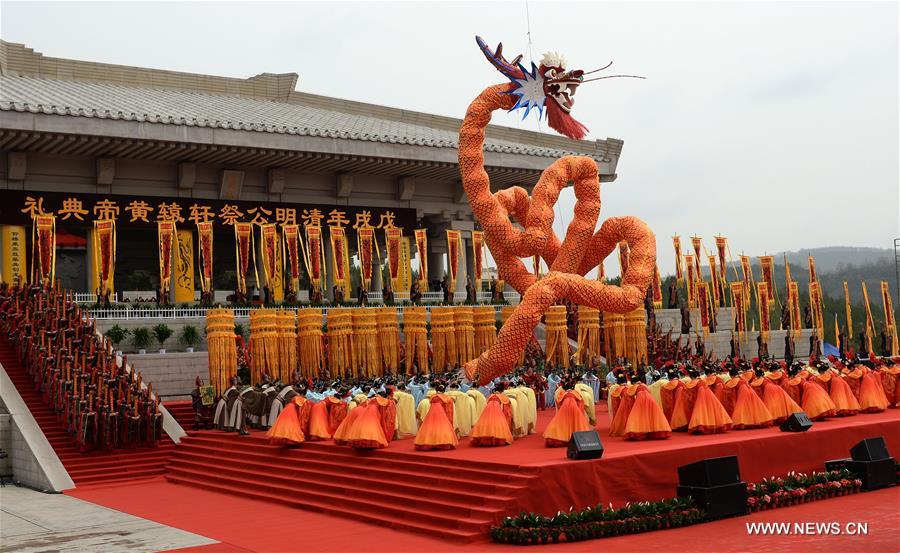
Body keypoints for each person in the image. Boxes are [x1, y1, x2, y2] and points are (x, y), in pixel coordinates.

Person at [543, 379, 592, 447]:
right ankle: (577, 438)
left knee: (563, 423)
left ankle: (563, 438)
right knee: (576, 422)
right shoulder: (575, 393)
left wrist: (560, 410)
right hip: (574, 408)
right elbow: (580, 401)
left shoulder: (562, 393)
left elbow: (558, 401)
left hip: (564, 408)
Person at [414, 384, 458, 450]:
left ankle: (429, 442)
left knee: (430, 427)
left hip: (431, 413)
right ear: (443, 391)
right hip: (441, 414)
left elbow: (430, 403)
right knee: (442, 428)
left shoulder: (433, 397)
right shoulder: (447, 398)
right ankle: (442, 442)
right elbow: (449, 409)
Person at [470, 381, 515, 446]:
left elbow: (486, 401)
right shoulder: (503, 397)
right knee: (497, 423)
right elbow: (506, 409)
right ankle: (496, 437)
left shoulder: (491, 396)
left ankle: (485, 435)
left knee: (486, 422)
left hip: (488, 409)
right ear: (502, 390)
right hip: (497, 409)